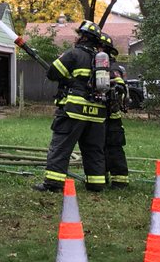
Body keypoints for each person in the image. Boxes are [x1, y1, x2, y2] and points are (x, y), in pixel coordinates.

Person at [32, 20, 109, 193]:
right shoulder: (101, 61)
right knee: (94, 150)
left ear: (83, 37)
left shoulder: (74, 54)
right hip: (97, 113)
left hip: (74, 111)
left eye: (79, 35)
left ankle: (53, 184)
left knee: (61, 146)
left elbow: (52, 73)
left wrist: (62, 67)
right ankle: (96, 184)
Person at [104, 61, 131, 189]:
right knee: (98, 149)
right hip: (99, 118)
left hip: (112, 119)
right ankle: (100, 178)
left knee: (114, 150)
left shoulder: (113, 69)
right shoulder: (97, 65)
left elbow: (121, 89)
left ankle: (120, 181)